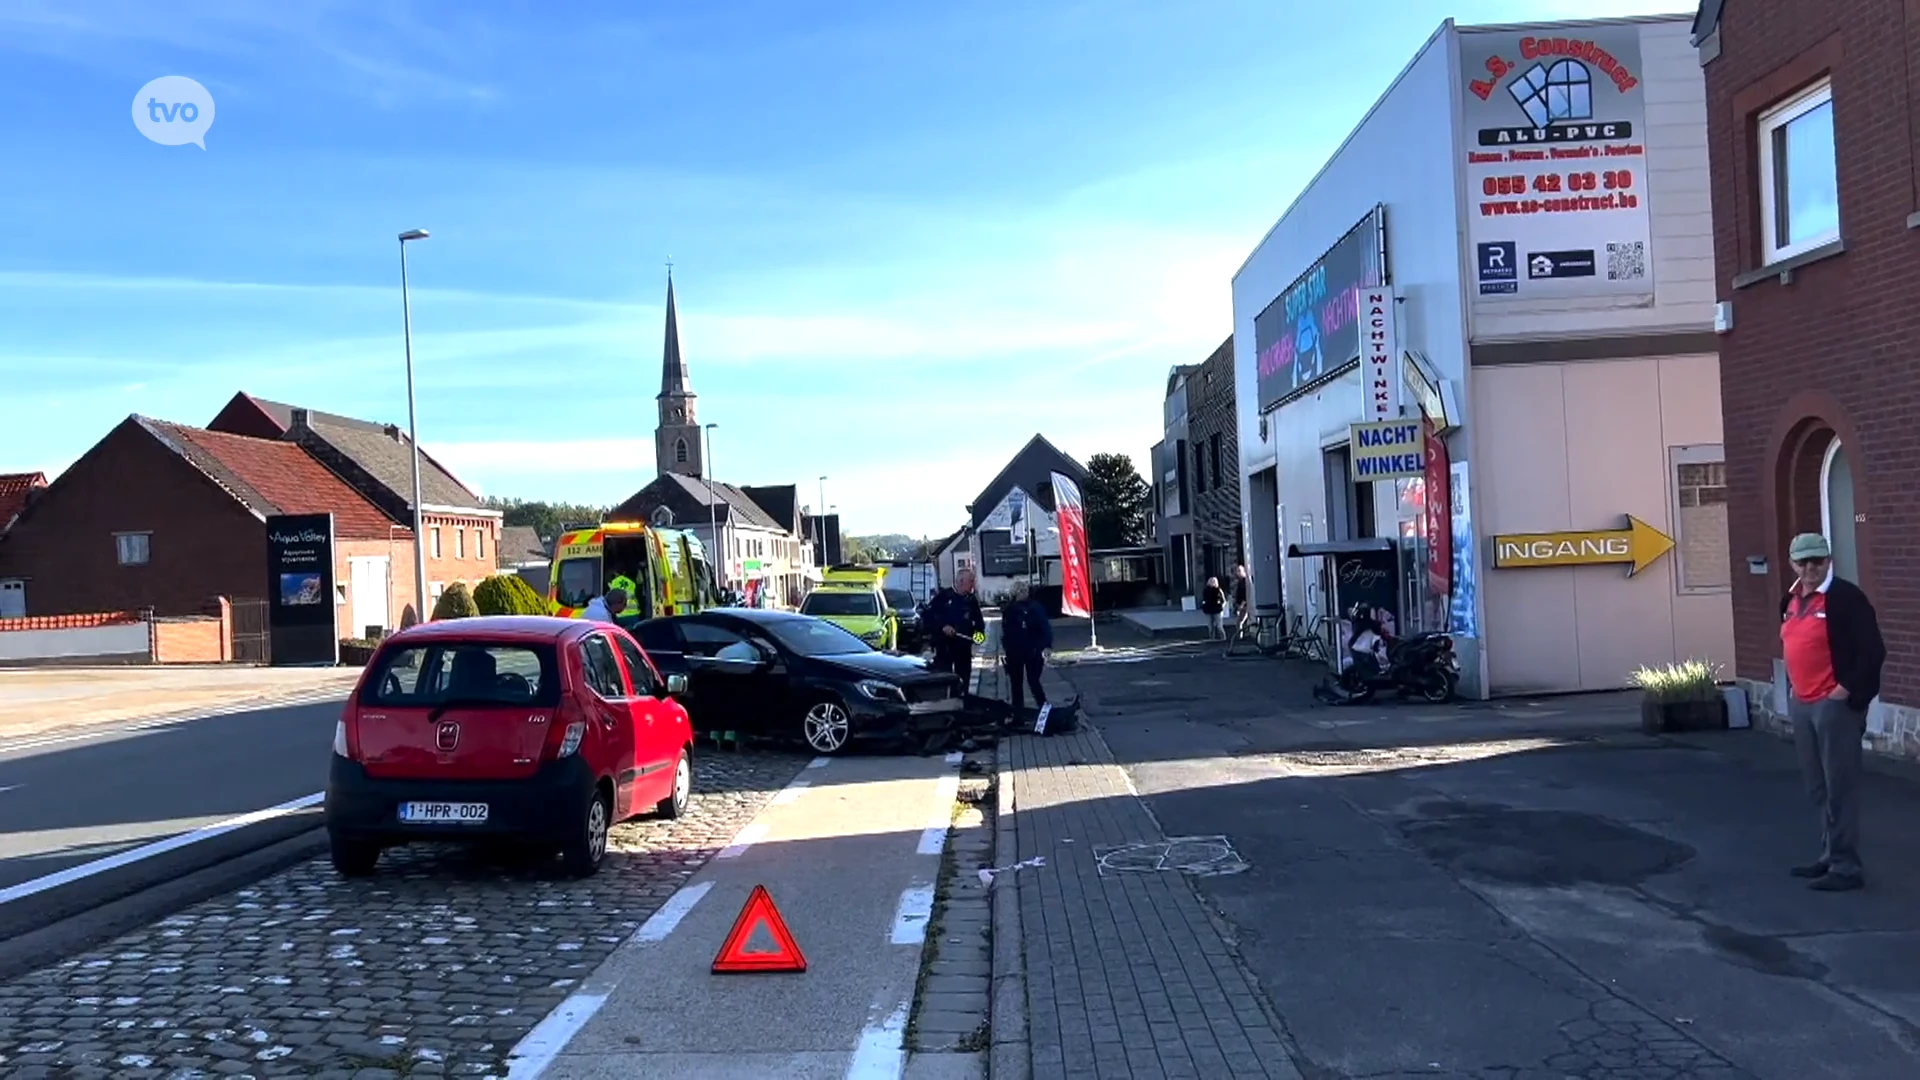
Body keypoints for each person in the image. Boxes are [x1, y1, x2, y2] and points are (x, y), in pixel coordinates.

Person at [1780, 532, 1885, 892]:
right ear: (1792, 563)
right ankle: (1829, 856)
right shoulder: (1792, 599)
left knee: (1840, 787)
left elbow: (1872, 652)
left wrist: (1844, 692)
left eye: (1818, 561)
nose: (1810, 568)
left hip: (1833, 705)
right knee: (1818, 786)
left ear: (1828, 560)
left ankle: (1846, 867)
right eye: (1803, 561)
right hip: (1803, 703)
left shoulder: (1845, 598)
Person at [924, 568, 986, 687]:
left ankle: (964, 702)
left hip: (963, 648)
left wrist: (978, 638)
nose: (973, 584)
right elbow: (928, 617)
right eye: (971, 581)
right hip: (945, 648)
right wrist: (942, 627)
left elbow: (979, 623)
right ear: (961, 581)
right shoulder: (943, 597)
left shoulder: (971, 600)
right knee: (945, 680)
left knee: (964, 681)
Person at [1000, 580, 1053, 715]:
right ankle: (1044, 709)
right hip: (1033, 649)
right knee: (1033, 681)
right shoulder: (1036, 607)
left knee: (1016, 684)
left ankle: (1019, 713)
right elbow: (1045, 627)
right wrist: (1046, 645)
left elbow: (1006, 632)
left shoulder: (1009, 609)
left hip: (1015, 651)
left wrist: (1006, 648)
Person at [1200, 576, 1226, 640]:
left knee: (1219, 626)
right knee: (1210, 627)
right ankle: (1212, 639)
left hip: (1217, 610)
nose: (1212, 583)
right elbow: (1204, 599)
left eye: (1214, 581)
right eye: (1211, 581)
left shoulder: (1218, 590)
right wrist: (1203, 605)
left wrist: (1222, 606)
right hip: (1208, 609)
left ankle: (1223, 638)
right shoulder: (1206, 590)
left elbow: (1224, 600)